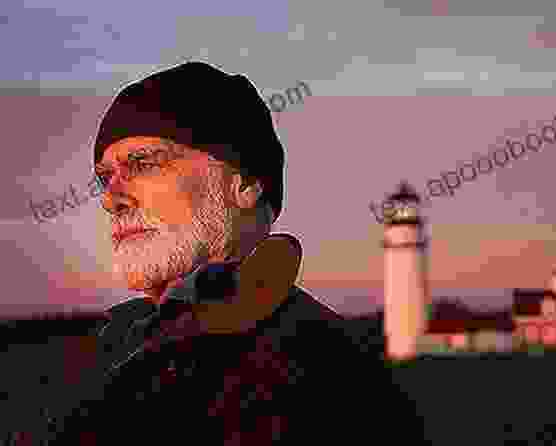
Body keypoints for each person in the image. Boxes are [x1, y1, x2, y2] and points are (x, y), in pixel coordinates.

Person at [10, 61, 428, 445]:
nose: (110, 199)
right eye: (106, 178)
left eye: (142, 163)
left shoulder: (328, 375)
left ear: (244, 184)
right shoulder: (105, 342)